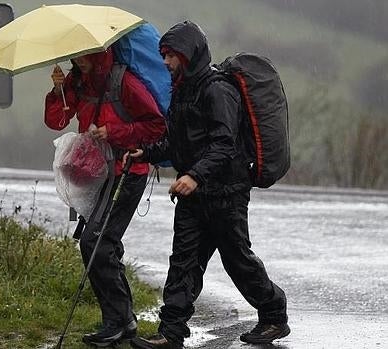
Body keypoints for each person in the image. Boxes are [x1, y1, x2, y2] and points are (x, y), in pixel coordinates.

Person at [127, 21, 290, 349]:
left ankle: (273, 315)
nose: (166, 62)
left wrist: (194, 176)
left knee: (237, 261)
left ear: (189, 54)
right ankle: (170, 333)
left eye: (171, 55)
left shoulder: (218, 89)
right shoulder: (182, 89)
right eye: (164, 55)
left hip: (226, 194)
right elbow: (178, 143)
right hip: (194, 197)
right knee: (183, 262)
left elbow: (224, 143)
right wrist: (147, 152)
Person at [44, 48, 166, 347]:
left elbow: (156, 126)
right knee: (101, 244)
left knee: (95, 243)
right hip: (96, 175)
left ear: (99, 52)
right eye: (75, 57)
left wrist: (111, 131)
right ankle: (122, 320)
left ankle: (118, 321)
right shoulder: (77, 80)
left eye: (84, 56)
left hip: (128, 171)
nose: (78, 61)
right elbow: (57, 122)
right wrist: (57, 91)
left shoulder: (125, 81)